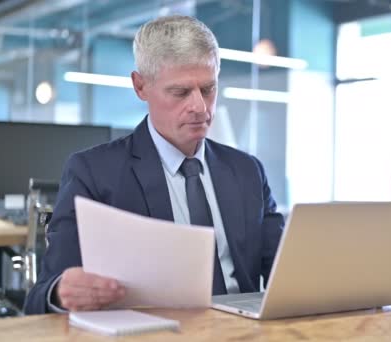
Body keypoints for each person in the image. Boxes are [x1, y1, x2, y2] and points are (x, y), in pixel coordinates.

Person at [24, 15, 284, 314]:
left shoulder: (247, 171)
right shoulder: (93, 173)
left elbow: (288, 269)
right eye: (181, 92)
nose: (199, 107)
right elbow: (41, 296)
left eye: (208, 89)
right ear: (140, 86)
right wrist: (61, 293)